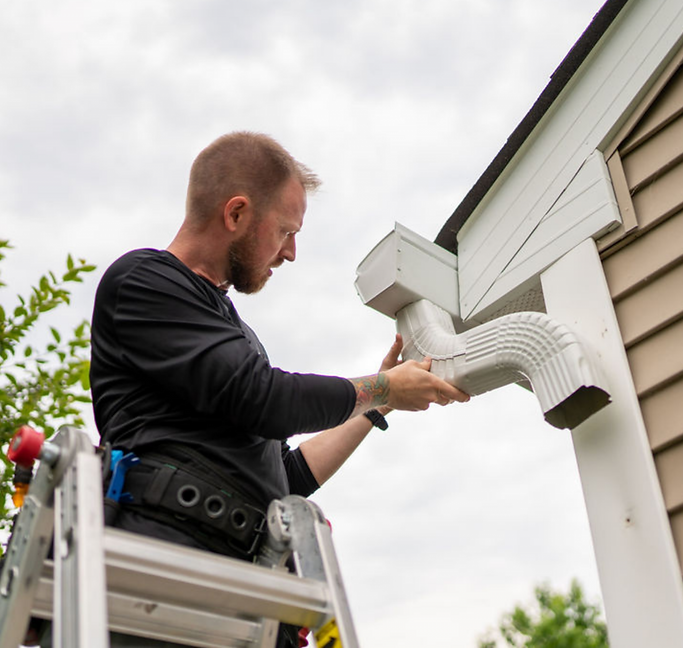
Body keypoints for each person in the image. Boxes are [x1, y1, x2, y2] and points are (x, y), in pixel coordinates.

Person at [87, 131, 468, 647]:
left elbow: (283, 475)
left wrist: (378, 406)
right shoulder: (145, 282)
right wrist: (382, 387)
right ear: (237, 214)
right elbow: (265, 399)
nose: (290, 252)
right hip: (163, 579)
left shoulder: (228, 329)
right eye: (285, 230)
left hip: (245, 588)